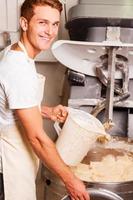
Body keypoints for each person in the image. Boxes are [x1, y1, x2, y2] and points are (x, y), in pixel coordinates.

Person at [0, 0, 90, 200]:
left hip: (15, 159)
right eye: (42, 22)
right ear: (24, 23)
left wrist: (46, 111)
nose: (50, 31)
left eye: (55, 24)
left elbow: (10, 104)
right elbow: (38, 139)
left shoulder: (17, 53)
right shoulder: (17, 68)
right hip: (7, 169)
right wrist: (70, 179)